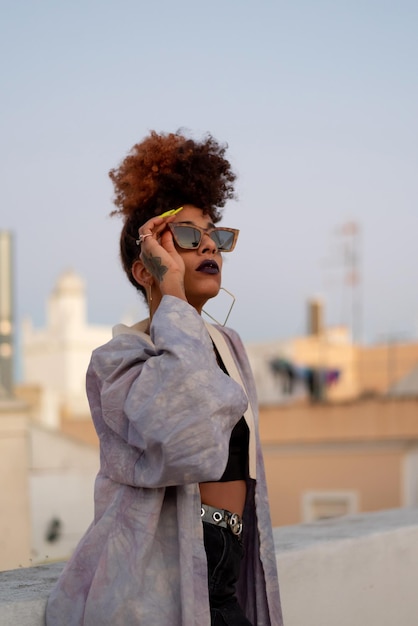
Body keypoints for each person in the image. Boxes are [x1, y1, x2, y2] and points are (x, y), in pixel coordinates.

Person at [45, 131, 283, 625]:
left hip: (223, 578)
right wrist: (172, 296)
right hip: (157, 592)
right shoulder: (118, 359)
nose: (209, 246)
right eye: (189, 236)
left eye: (216, 235)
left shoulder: (228, 345)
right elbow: (188, 443)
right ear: (145, 266)